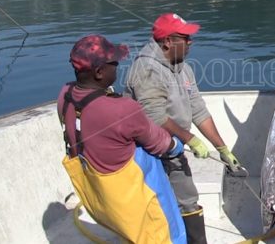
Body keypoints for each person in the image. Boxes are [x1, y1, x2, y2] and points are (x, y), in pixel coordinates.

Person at [125, 13, 242, 244]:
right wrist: (191, 139)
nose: (191, 42)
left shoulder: (183, 68)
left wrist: (222, 148)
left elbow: (198, 110)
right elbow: (154, 115)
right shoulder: (147, 69)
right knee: (157, 204)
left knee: (187, 198)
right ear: (168, 41)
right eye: (185, 38)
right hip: (148, 152)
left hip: (174, 147)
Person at [58, 34, 187, 243]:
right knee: (169, 234)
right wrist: (177, 145)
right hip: (134, 202)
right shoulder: (123, 109)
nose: (118, 67)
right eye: (114, 63)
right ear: (99, 72)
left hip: (101, 202)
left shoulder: (65, 95)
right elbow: (160, 143)